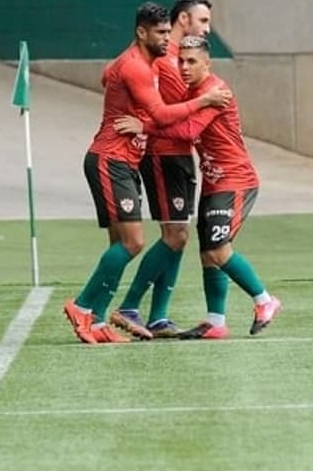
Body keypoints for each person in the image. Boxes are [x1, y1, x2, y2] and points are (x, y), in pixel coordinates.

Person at [62, 3, 233, 344]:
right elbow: (161, 114)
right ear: (141, 32)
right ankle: (83, 306)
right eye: (161, 33)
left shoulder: (143, 63)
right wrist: (205, 101)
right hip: (111, 159)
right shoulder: (138, 67)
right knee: (134, 242)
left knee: (121, 243)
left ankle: (96, 323)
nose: (167, 39)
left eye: (169, 32)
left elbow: (107, 73)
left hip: (123, 161)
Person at [115, 35, 282, 339]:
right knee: (207, 254)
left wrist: (145, 126)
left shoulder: (216, 92)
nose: (184, 66)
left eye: (191, 61)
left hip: (235, 180)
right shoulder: (194, 92)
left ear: (208, 63)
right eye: (181, 60)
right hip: (213, 181)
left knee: (218, 250)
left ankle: (265, 300)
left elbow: (187, 130)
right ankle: (216, 322)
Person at [114, 0, 214, 338]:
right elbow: (169, 105)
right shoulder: (163, 60)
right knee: (175, 234)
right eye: (202, 21)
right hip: (162, 154)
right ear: (183, 20)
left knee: (179, 237)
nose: (207, 29)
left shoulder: (181, 59)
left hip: (180, 153)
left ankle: (158, 317)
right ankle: (129, 307)